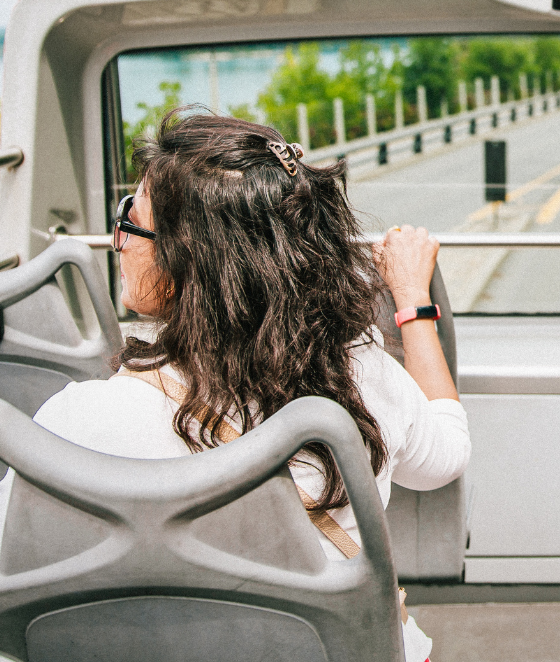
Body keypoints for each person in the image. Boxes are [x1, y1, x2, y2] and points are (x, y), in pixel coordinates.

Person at [0, 110, 470, 662]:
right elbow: (445, 459)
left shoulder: (77, 424)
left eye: (132, 218)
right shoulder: (362, 374)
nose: (119, 238)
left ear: (187, 265)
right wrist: (413, 304)